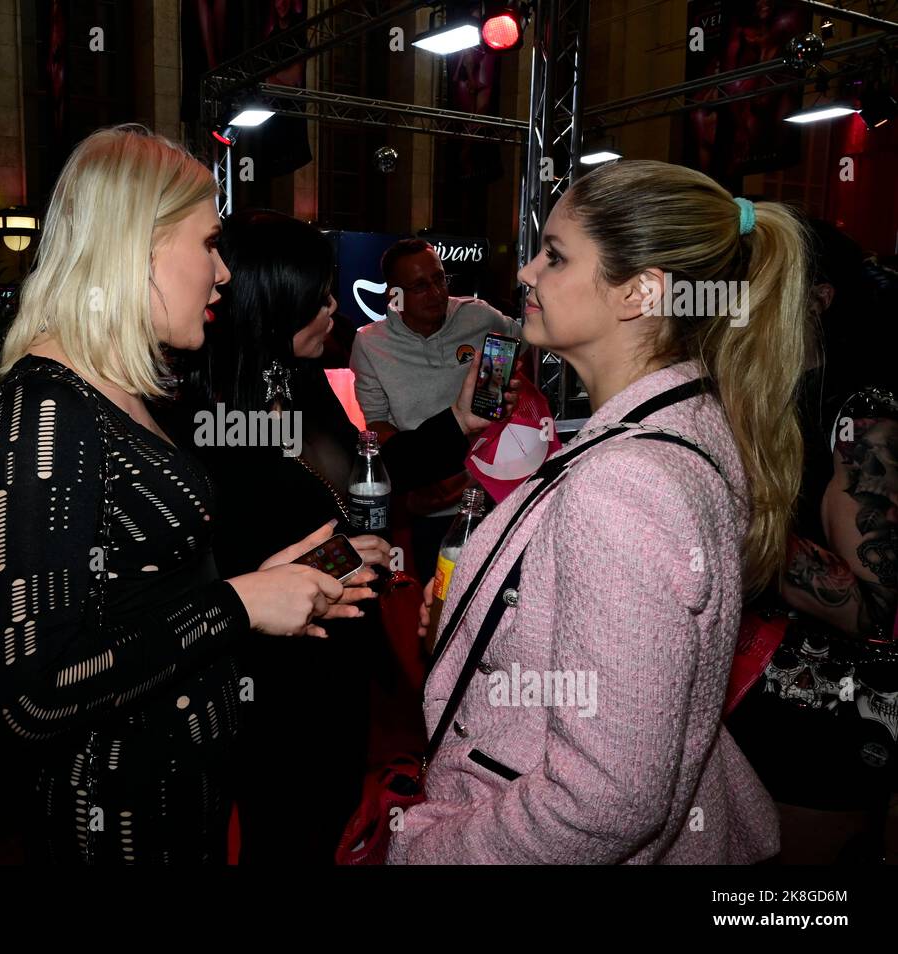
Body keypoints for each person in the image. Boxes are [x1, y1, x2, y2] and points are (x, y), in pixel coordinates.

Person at [389, 159, 808, 864]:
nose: (525, 272)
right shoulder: (682, 420)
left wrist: (429, 853)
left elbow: (605, 802)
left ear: (639, 292)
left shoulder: (626, 483)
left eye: (554, 256)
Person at [0, 126, 359, 865]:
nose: (222, 274)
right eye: (209, 244)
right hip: (120, 819)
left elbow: (140, 593)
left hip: (180, 801)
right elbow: (33, 694)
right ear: (139, 245)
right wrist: (239, 603)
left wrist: (271, 578)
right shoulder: (49, 409)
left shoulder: (117, 391)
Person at [167, 208, 518, 863]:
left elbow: (363, 477)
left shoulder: (299, 384)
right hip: (272, 688)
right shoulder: (206, 422)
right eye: (316, 294)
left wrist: (458, 422)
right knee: (286, 832)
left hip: (338, 663)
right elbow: (233, 578)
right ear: (270, 303)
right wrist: (342, 555)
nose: (334, 305)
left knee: (328, 819)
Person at [726, 220, 898, 863]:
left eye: (753, 279)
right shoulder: (751, 392)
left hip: (822, 717)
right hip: (743, 690)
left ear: (817, 298)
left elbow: (871, 604)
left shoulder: (864, 413)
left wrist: (725, 520)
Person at [349, 239, 521, 580]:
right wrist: (419, 473)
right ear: (393, 295)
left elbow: (529, 343)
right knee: (441, 602)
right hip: (433, 505)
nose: (436, 292)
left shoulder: (479, 316)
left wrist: (509, 383)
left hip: (497, 492)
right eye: (419, 286)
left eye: (440, 279)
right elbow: (377, 423)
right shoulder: (370, 343)